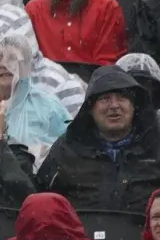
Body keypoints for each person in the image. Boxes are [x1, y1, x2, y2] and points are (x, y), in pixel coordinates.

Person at [36, 66, 160, 214]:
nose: (114, 106)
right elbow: (40, 202)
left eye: (122, 97)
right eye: (104, 99)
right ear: (90, 108)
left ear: (134, 106)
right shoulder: (67, 148)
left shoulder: (155, 144)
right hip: (81, 235)